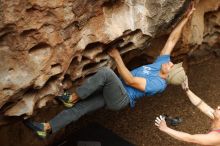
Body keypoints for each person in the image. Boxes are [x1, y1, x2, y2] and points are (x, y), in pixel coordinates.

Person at [24, 5, 194, 138]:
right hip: (114, 89)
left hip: (120, 98)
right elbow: (172, 40)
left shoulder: (158, 84)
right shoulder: (161, 64)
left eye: (173, 66)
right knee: (80, 109)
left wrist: (117, 57)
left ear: (169, 75)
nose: (171, 62)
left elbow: (131, 81)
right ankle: (46, 128)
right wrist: (186, 18)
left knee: (106, 73)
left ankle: (73, 97)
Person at [155, 76, 220, 146]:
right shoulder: (217, 118)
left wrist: (165, 129)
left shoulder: (216, 137)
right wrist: (187, 90)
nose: (218, 106)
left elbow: (191, 138)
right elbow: (200, 104)